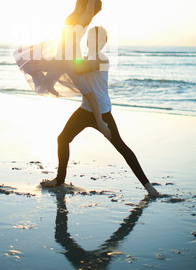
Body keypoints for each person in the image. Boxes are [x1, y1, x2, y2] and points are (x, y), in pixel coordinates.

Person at [41, 26, 159, 198]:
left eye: (99, 40)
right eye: (91, 38)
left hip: (102, 111)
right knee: (63, 139)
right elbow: (75, 66)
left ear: (103, 43)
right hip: (85, 109)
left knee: (121, 147)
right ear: (88, 41)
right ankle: (60, 181)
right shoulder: (87, 58)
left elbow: (78, 69)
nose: (94, 42)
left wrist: (64, 58)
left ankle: (149, 187)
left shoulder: (101, 60)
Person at [14, 0, 113, 139]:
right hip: (65, 51)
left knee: (82, 88)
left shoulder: (81, 16)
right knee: (51, 67)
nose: (89, 4)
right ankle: (99, 121)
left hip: (66, 52)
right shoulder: (81, 14)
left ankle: (99, 121)